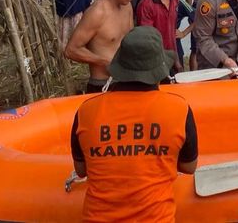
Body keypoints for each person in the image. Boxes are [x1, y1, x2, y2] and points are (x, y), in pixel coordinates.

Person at [70, 26, 198, 222]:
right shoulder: (179, 109)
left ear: (119, 66)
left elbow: (81, 171)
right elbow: (189, 167)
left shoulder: (86, 111)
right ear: (160, 70)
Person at [65, 0, 140, 93]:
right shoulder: (96, 13)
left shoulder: (127, 7)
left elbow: (130, 40)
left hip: (128, 79)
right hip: (103, 84)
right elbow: (71, 50)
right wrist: (105, 62)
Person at [136, 0, 182, 74]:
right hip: (155, 64)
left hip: (172, 57)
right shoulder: (146, 5)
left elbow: (171, 32)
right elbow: (148, 41)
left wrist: (176, 60)